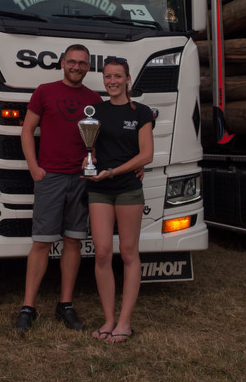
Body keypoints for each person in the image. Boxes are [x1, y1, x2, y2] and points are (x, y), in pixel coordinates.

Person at [14, 43, 100, 334]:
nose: (77, 67)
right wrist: (34, 167)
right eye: (72, 62)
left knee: (74, 241)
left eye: (82, 63)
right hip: (50, 178)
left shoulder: (94, 99)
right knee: (41, 242)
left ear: (88, 67)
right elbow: (26, 130)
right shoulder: (44, 91)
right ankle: (28, 307)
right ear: (63, 62)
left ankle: (65, 305)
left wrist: (94, 160)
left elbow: (99, 139)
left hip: (80, 180)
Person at [85, 56, 154, 343]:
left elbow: (146, 155)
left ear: (128, 79)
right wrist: (89, 162)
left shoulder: (141, 112)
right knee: (101, 253)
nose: (112, 81)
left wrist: (113, 171)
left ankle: (125, 322)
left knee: (128, 253)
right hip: (99, 189)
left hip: (127, 188)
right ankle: (109, 319)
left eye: (118, 76)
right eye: (108, 76)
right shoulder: (95, 111)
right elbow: (92, 149)